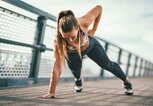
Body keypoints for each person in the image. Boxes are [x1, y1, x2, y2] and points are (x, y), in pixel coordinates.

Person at [40, 5, 133, 99]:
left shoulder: (84, 21)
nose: (70, 42)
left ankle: (126, 81)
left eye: (73, 37)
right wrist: (51, 91)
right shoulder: (58, 40)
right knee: (75, 71)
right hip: (73, 54)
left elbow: (99, 8)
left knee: (107, 65)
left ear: (77, 27)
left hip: (91, 47)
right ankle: (78, 80)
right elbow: (57, 66)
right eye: (66, 39)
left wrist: (94, 29)